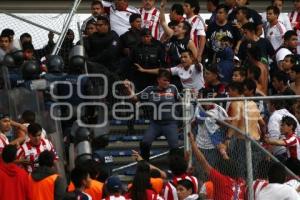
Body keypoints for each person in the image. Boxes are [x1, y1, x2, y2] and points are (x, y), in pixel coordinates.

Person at [123, 69, 180, 161]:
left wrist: (179, 122)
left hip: (170, 123)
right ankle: (145, 165)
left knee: (175, 148)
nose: (167, 82)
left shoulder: (173, 88)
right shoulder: (150, 90)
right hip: (155, 124)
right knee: (145, 143)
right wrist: (129, 88)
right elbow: (135, 98)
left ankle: (176, 170)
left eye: (168, 80)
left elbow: (181, 102)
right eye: (165, 80)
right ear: (158, 80)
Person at [189, 132, 246, 199]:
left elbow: (203, 162)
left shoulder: (221, 180)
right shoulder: (241, 182)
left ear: (221, 170)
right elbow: (231, 165)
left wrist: (192, 142)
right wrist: (224, 154)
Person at [226, 81, 266, 178]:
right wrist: (263, 137)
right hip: (255, 140)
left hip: (243, 140)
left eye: (229, 91)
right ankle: (252, 190)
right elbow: (262, 123)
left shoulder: (236, 103)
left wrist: (228, 137)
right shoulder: (252, 103)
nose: (228, 94)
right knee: (253, 170)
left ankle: (245, 191)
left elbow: (235, 121)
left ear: (236, 91)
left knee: (241, 171)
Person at [135, 50, 204, 92]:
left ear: (191, 58)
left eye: (185, 57)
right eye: (181, 57)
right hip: (187, 95)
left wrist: (196, 61)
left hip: (200, 93)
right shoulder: (178, 69)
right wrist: (144, 70)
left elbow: (198, 65)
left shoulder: (196, 66)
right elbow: (161, 71)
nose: (182, 59)